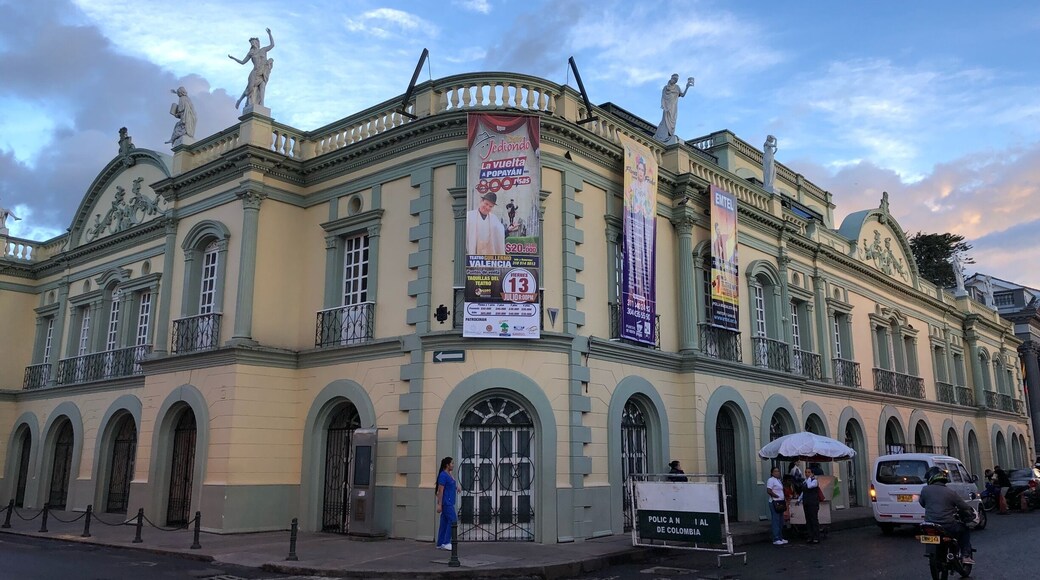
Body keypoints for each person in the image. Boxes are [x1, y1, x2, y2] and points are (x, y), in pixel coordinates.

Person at [919, 466, 974, 564]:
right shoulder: (950, 492)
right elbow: (963, 506)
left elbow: (922, 503)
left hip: (929, 524)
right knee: (964, 530)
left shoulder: (925, 490)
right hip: (947, 524)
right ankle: (965, 555)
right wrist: (970, 510)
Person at [230, 28, 275, 110]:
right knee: (249, 88)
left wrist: (269, 34)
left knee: (262, 87)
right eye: (251, 42)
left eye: (254, 42)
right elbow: (243, 62)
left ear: (257, 43)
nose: (253, 43)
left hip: (263, 72)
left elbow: (272, 45)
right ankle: (239, 100)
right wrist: (233, 58)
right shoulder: (251, 53)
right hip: (255, 72)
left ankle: (262, 103)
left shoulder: (263, 50)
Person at [653, 74, 694, 143]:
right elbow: (663, 97)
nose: (675, 81)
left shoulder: (677, 87)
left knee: (672, 120)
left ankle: (669, 135)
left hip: (673, 107)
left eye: (676, 80)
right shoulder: (666, 88)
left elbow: (682, 95)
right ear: (671, 78)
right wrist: (664, 105)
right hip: (667, 107)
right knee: (665, 120)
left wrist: (687, 87)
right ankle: (662, 136)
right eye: (674, 79)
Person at [435, 456, 457, 550]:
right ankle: (446, 542)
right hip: (446, 502)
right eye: (452, 463)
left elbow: (450, 484)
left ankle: (440, 543)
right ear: (447, 465)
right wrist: (439, 504)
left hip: (449, 501)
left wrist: (457, 487)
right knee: (453, 520)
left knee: (444, 522)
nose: (453, 465)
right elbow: (440, 490)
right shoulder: (443, 475)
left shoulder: (449, 474)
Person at [797, 466, 822, 544]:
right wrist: (799, 499)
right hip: (806, 502)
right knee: (808, 520)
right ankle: (810, 536)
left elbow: (810, 486)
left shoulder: (814, 481)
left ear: (812, 473)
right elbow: (803, 491)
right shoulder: (805, 481)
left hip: (813, 502)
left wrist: (809, 479)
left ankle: (816, 536)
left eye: (809, 472)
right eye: (806, 472)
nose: (807, 474)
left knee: (814, 519)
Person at [766, 466, 787, 545]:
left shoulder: (778, 480)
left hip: (781, 502)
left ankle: (780, 537)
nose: (777, 472)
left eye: (778, 471)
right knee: (776, 520)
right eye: (775, 471)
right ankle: (776, 538)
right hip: (775, 502)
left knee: (781, 520)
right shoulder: (771, 480)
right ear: (772, 473)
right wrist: (776, 496)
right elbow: (769, 490)